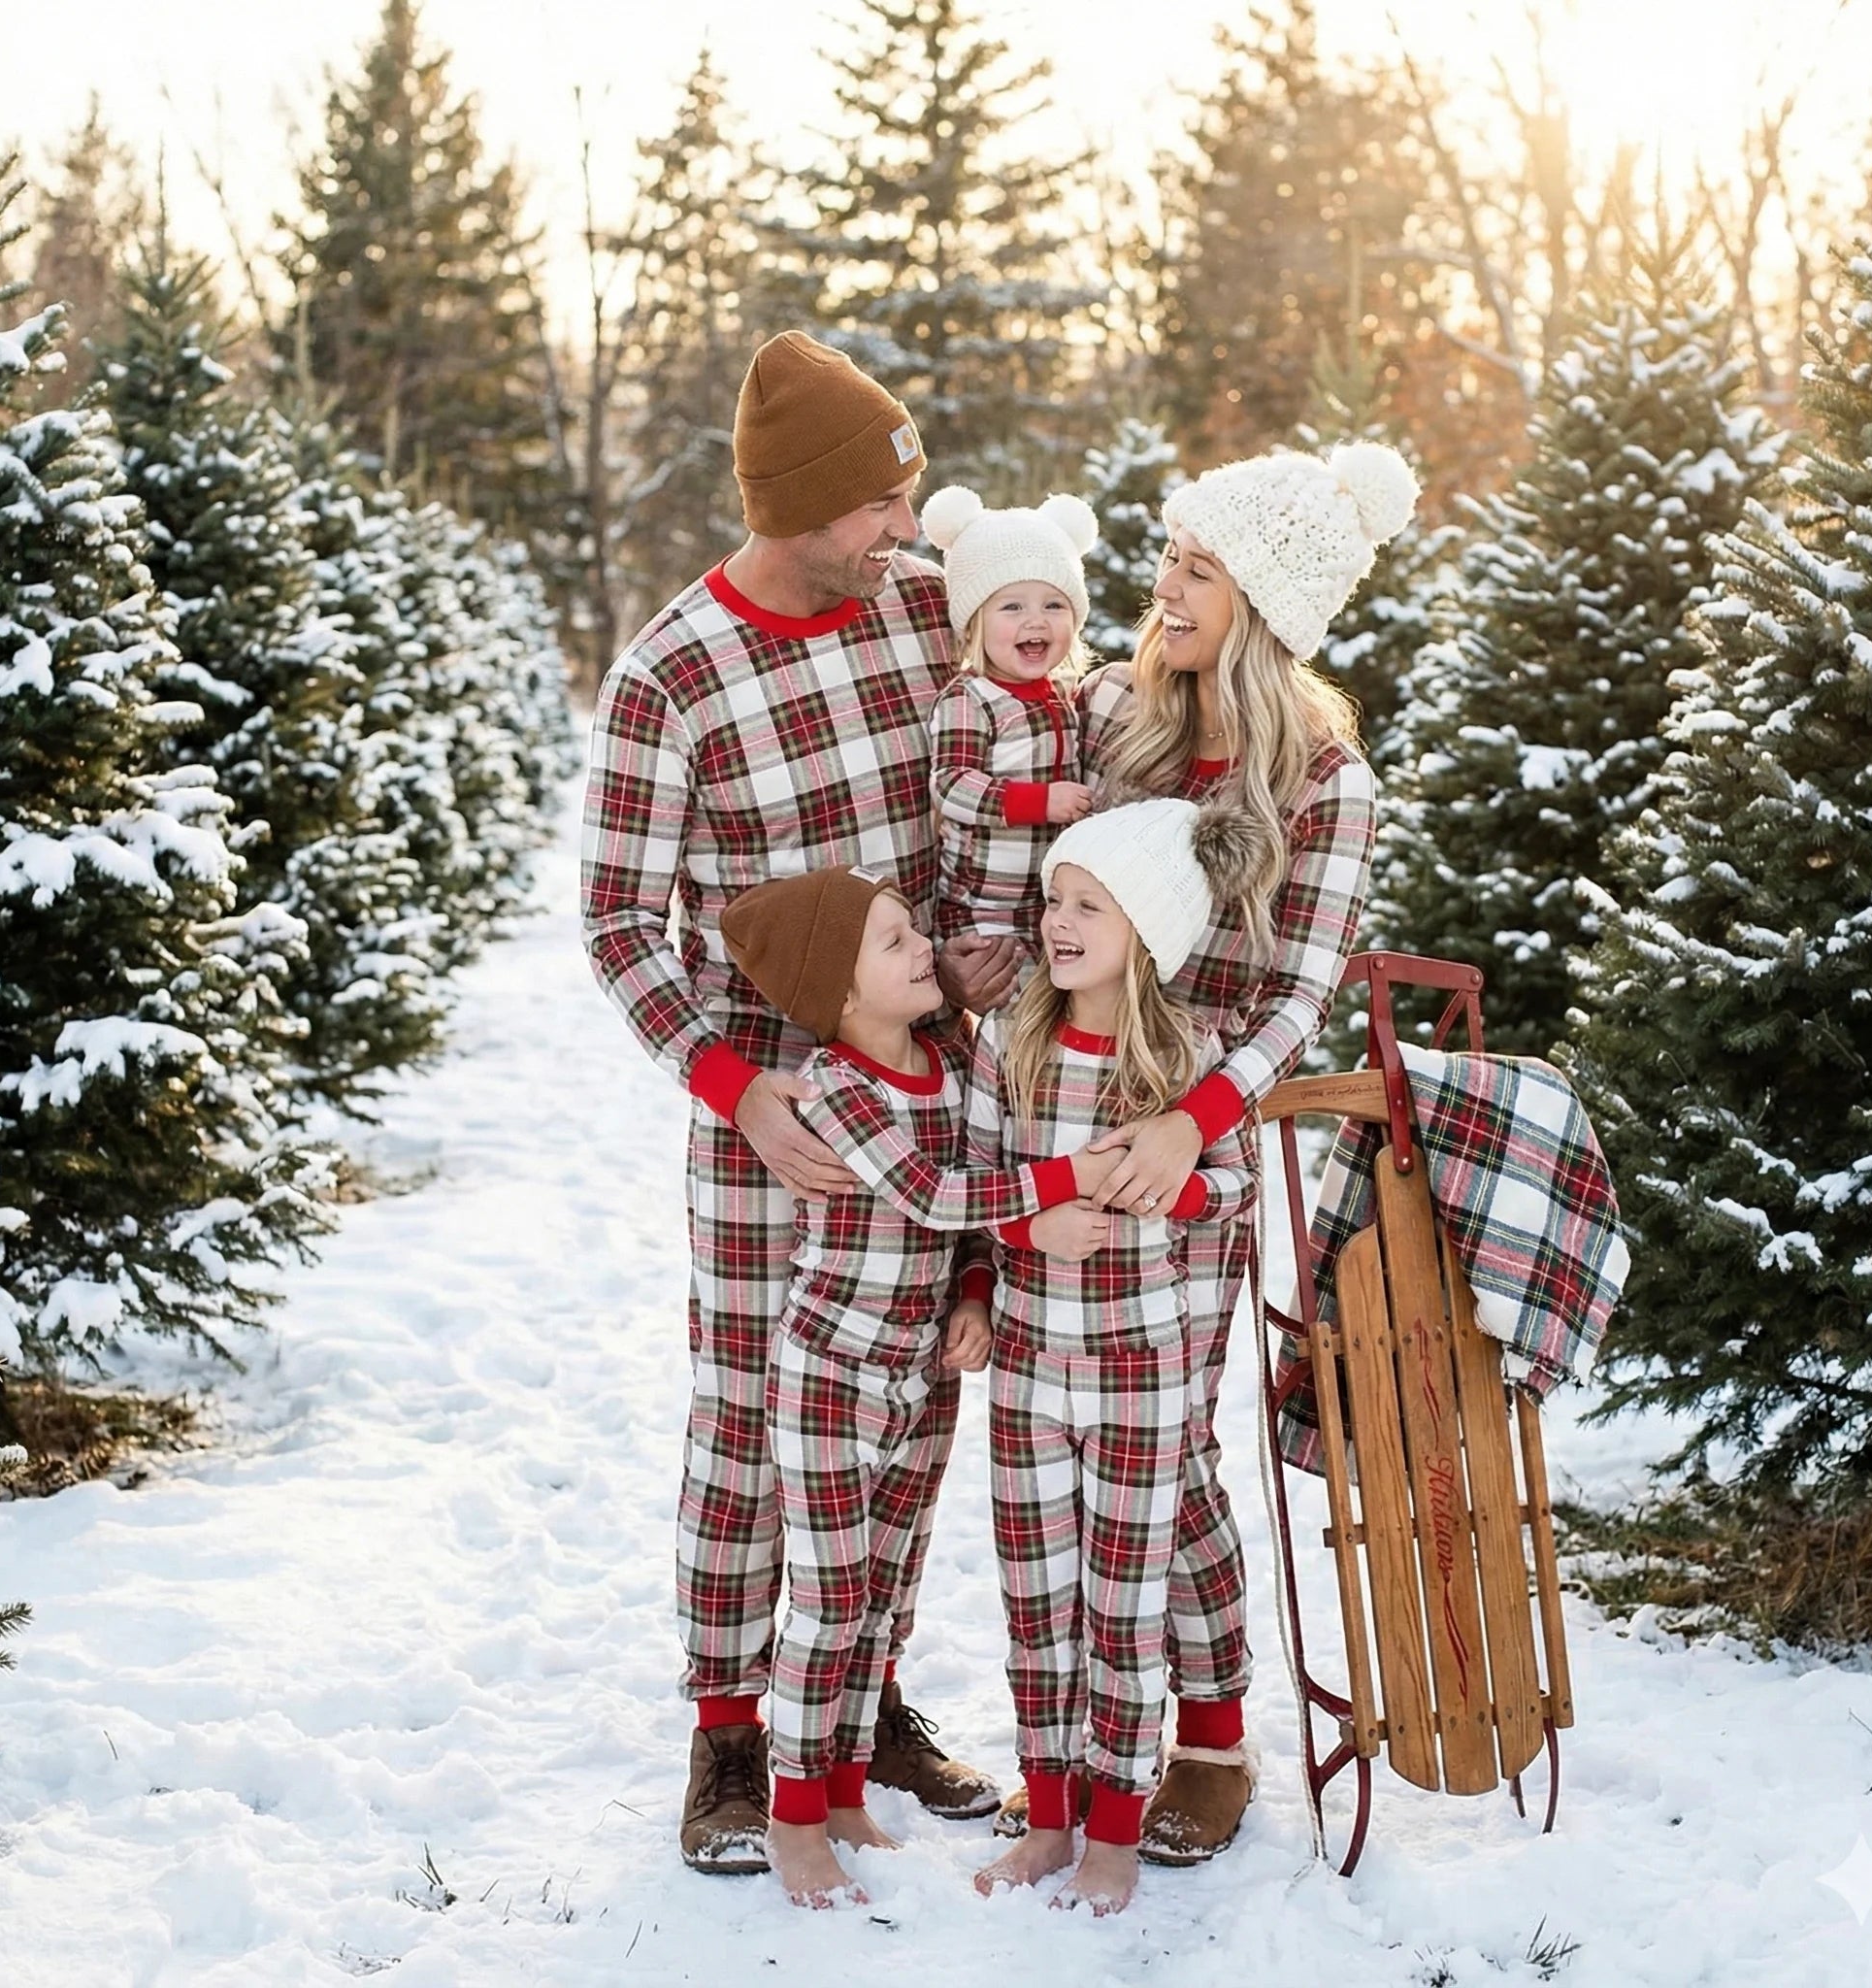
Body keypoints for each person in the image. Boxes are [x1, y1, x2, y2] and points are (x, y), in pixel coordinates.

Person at [581, 331, 1019, 1876]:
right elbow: (621, 923)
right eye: (881, 506)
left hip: (930, 1104)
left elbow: (1019, 729)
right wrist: (736, 1086)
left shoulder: (915, 615)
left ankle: (863, 1696)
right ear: (802, 503)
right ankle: (729, 1736)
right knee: (755, 1418)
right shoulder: (672, 677)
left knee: (913, 1402)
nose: (908, 531)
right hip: (774, 1125)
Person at [1068, 442, 1413, 1864]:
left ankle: (1208, 1735)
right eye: (1168, 559)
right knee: (1068, 1433)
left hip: (1190, 1141)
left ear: (1264, 607)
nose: (1164, 590)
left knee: (1164, 1440)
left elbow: (1296, 1002)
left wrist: (1191, 1121)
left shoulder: (1324, 781)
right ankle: (1076, 1728)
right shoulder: (1112, 716)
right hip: (1062, 1105)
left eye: (1199, 571)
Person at [716, 866, 1125, 1906]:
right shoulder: (835, 1085)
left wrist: (979, 1292)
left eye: (910, 930)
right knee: (829, 1595)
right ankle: (794, 1813)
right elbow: (939, 1192)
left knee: (884, 1595)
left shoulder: (957, 1058)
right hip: (832, 1371)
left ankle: (846, 1787)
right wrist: (1065, 1184)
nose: (921, 950)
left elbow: (975, 1214)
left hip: (921, 1372)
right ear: (840, 993)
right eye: (894, 941)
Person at [967, 798, 1263, 1915]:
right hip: (1030, 1375)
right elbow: (974, 1181)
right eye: (1052, 897)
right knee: (1038, 1601)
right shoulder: (1015, 1040)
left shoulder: (1191, 1057)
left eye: (1087, 903)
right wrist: (1022, 1229)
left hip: (1140, 1373)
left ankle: (1112, 1831)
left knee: (1122, 1606)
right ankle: (1048, 1814)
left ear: (1146, 924)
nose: (1057, 921)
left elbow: (1230, 1187)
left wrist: (1168, 1185)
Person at [921, 485, 1100, 951]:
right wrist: (1039, 802)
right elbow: (952, 783)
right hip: (983, 909)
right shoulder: (970, 698)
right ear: (976, 621)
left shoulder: (1063, 694)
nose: (1036, 621)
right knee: (1008, 1015)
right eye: (1013, 606)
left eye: (1054, 605)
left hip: (1048, 906)